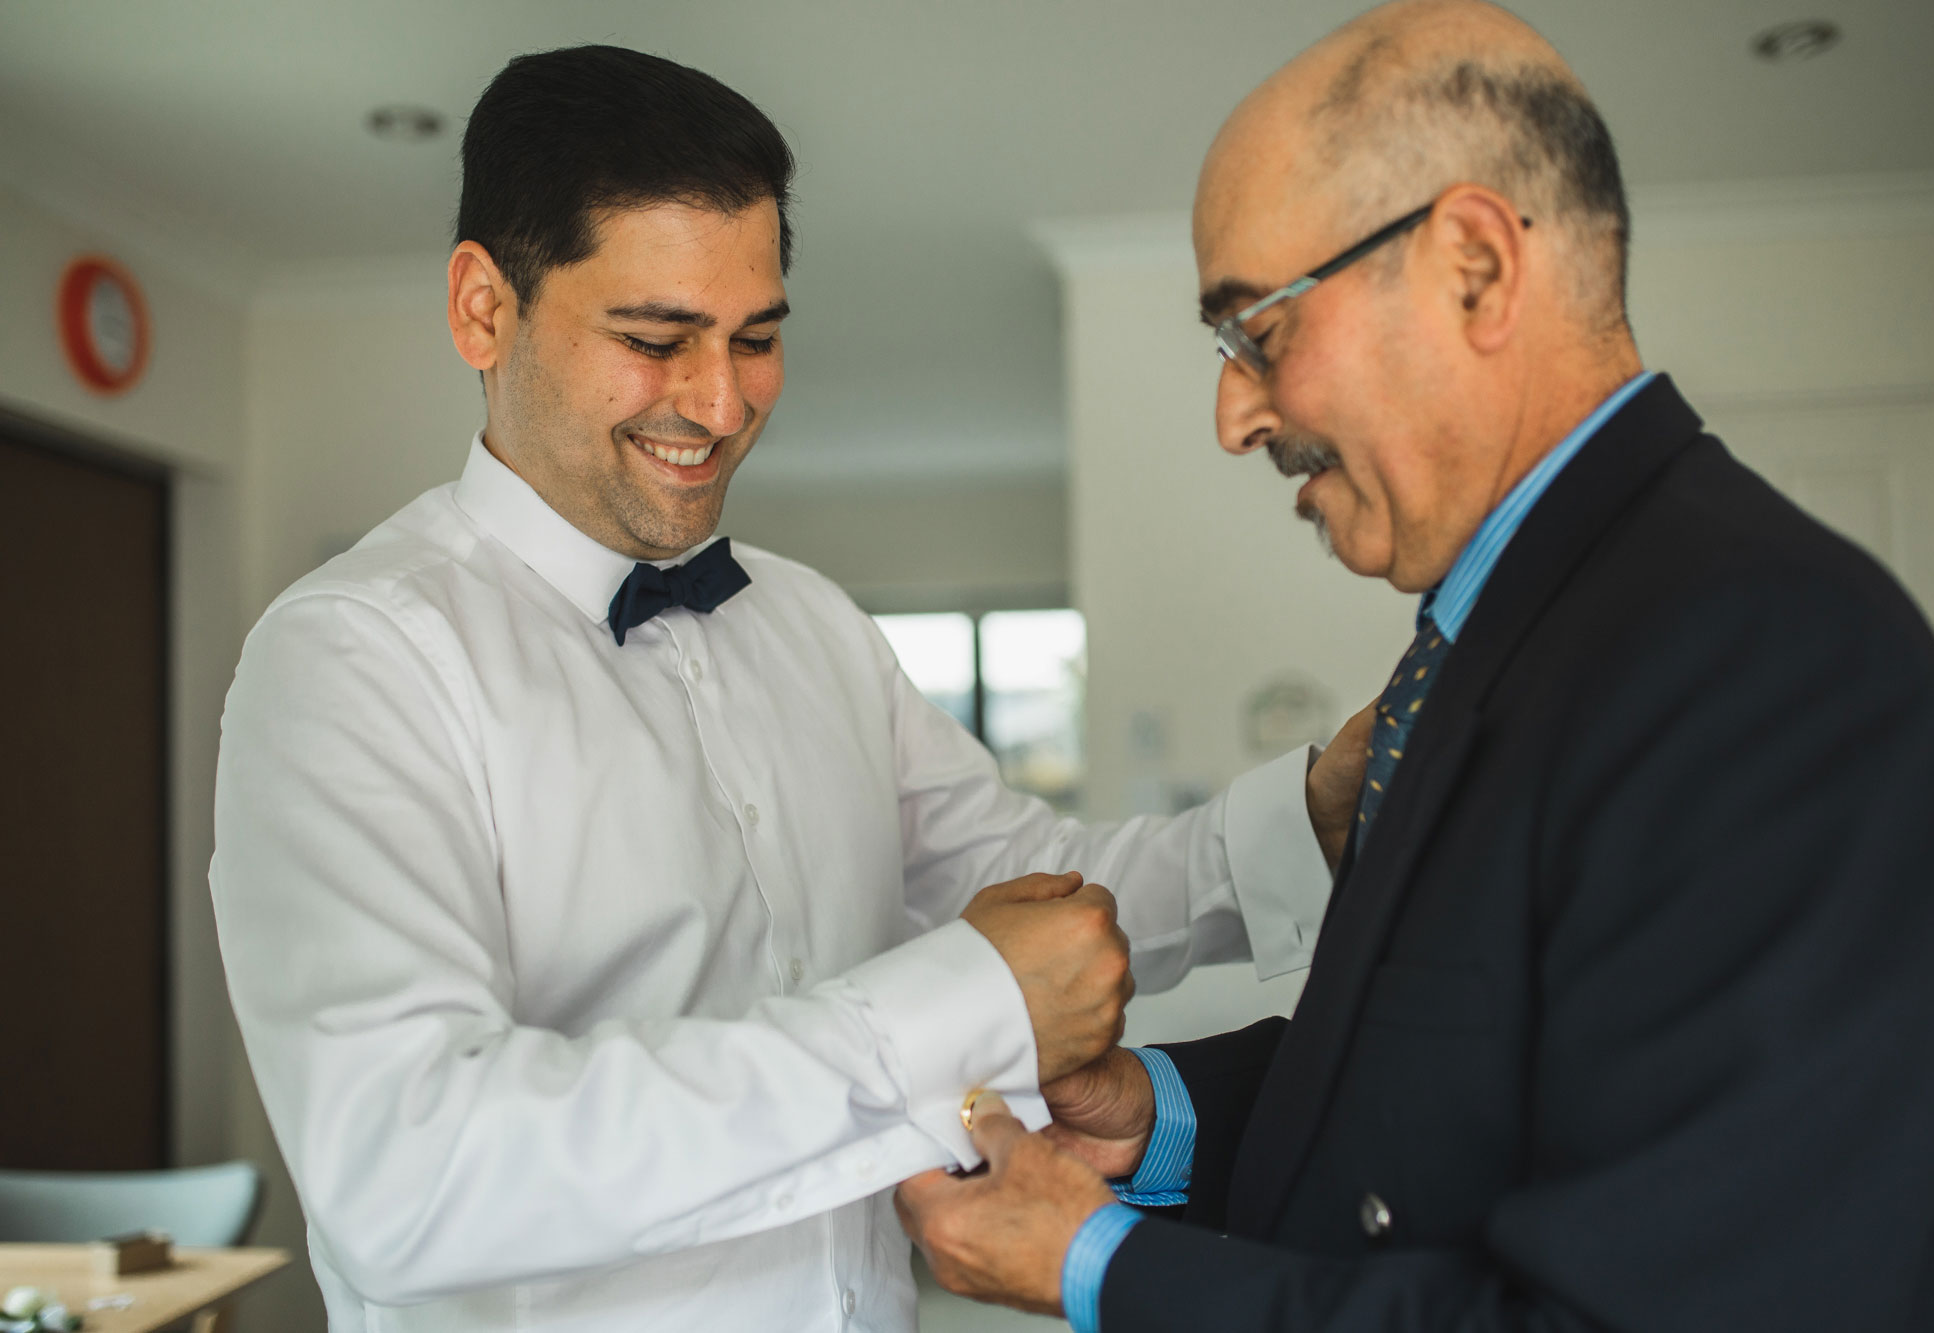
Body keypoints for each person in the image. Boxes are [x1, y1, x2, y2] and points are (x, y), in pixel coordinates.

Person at [208, 45, 1369, 1333]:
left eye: (755, 338)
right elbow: (408, 1170)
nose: (719, 402)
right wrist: (959, 1010)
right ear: (485, 307)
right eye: (656, 339)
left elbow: (1043, 875)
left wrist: (1312, 818)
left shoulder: (813, 624)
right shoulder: (352, 659)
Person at [893, 2, 1934, 1329]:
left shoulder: (1772, 659)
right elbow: (1466, 1087)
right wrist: (1167, 1114)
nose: (1235, 412)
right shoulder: (1504, 635)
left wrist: (1102, 1264)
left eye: (1258, 330)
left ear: (1474, 268)